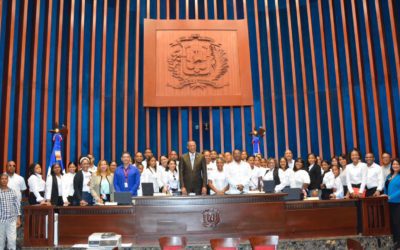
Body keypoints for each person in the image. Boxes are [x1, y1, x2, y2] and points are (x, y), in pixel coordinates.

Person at [0, 173, 21, 250]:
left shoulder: (12, 191)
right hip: (1, 221)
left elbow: (17, 205)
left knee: (12, 241)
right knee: (0, 241)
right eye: (2, 179)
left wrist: (18, 218)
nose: (4, 180)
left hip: (11, 220)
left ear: (8, 180)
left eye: (6, 179)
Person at [383, 158, 400, 249]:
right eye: (394, 164)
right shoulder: (389, 176)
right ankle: (396, 241)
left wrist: (391, 196)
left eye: (397, 164)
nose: (395, 166)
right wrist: (385, 194)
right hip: (389, 203)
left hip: (398, 202)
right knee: (393, 223)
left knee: (398, 223)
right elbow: (386, 187)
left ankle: (399, 243)